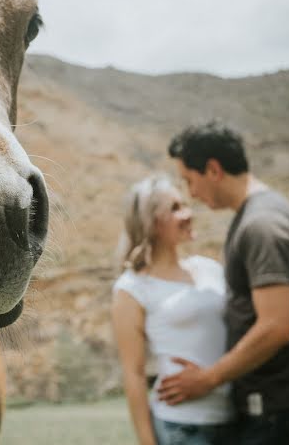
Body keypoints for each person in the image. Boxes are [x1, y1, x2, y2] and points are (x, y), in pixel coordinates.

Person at [160, 121, 289, 444]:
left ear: (213, 170)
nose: (191, 194)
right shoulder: (258, 215)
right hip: (277, 413)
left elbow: (276, 326)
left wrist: (208, 379)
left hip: (281, 418)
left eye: (189, 180)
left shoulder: (262, 225)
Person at [112, 175, 235, 445]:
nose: (189, 214)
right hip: (183, 427)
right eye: (176, 208)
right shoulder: (131, 287)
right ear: (151, 222)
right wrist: (147, 441)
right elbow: (133, 373)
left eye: (186, 205)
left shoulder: (209, 268)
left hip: (237, 418)